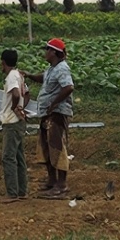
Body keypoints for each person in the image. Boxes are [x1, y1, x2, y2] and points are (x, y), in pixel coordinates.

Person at [24, 38, 75, 198]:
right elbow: (43, 78)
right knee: (47, 147)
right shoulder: (52, 69)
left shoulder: (62, 69)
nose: (45, 52)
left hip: (57, 114)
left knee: (56, 147)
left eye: (47, 49)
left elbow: (69, 87)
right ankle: (52, 181)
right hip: (48, 114)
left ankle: (61, 185)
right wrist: (29, 75)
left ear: (54, 52)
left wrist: (54, 103)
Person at [0, 49, 29, 199]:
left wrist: (13, 107)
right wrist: (21, 108)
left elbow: (16, 93)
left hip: (11, 122)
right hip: (19, 121)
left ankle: (12, 193)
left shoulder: (11, 76)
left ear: (3, 62)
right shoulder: (19, 75)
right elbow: (27, 93)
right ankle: (22, 191)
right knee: (19, 157)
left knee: (8, 157)